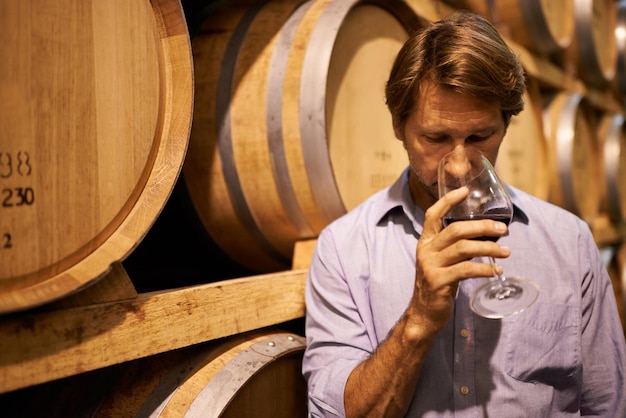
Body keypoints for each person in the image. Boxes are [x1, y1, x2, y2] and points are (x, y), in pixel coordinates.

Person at [302, 10, 626, 417]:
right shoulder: (344, 249)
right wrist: (418, 321)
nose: (458, 165)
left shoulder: (570, 242)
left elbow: (607, 405)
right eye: (436, 138)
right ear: (398, 127)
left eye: (480, 136)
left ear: (506, 126)